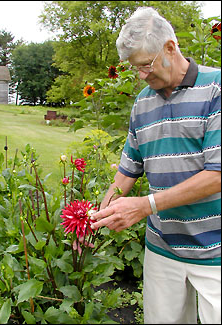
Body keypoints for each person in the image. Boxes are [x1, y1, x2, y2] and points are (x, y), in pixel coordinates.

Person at [90, 6, 221, 324]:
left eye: (146, 65)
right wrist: (97, 218)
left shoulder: (216, 89)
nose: (142, 76)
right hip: (163, 249)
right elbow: (127, 171)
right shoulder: (142, 103)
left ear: (171, 48)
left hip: (216, 250)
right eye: (137, 68)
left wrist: (146, 205)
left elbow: (217, 175)